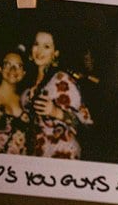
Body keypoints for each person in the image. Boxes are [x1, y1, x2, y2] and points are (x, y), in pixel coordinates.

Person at [21, 30, 93, 159]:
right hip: (37, 151)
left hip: (61, 151)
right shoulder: (28, 80)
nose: (40, 50)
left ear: (55, 53)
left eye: (47, 46)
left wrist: (55, 112)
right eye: (36, 44)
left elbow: (84, 122)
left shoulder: (61, 79)